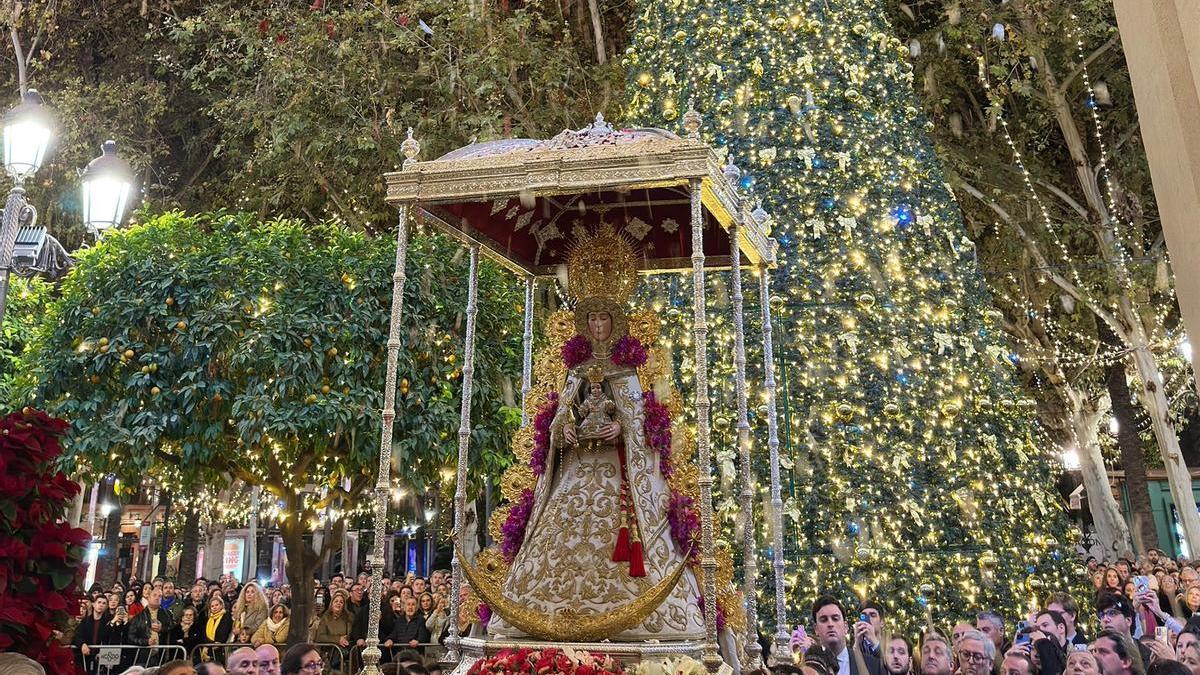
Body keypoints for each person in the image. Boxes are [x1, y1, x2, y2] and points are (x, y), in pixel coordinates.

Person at [485, 229, 705, 643]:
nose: (599, 326)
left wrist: (622, 427)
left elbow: (642, 417)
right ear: (585, 323)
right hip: (575, 470)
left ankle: (642, 619)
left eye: (605, 318)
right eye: (592, 319)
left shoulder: (631, 369)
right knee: (559, 545)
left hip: (620, 477)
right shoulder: (575, 368)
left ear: (614, 321)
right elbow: (559, 415)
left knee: (623, 542)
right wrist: (563, 430)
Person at [806, 595, 884, 675]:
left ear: (846, 627)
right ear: (816, 629)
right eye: (824, 620)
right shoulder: (807, 668)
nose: (830, 624)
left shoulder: (873, 665)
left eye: (835, 619)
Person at [129, 587, 176, 662]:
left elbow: (173, 628)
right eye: (154, 595)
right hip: (144, 656)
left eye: (160, 596)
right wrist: (146, 641)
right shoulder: (139, 617)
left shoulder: (168, 614)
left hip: (162, 655)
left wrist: (162, 629)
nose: (157, 598)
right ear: (148, 597)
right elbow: (131, 637)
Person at [74, 595, 114, 674]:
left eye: (104, 603)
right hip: (85, 658)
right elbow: (77, 636)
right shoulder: (85, 621)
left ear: (106, 606)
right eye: (99, 602)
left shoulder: (108, 622)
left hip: (101, 658)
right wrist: (82, 644)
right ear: (93, 604)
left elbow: (110, 639)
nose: (101, 605)